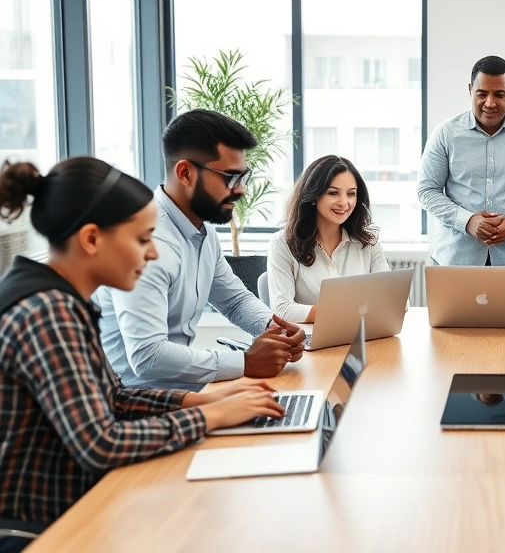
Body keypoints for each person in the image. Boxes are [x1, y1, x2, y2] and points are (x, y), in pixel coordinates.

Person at [0, 158, 285, 544]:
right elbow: (101, 443)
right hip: (41, 531)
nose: (152, 254)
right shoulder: (50, 312)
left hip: (75, 509)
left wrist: (194, 401)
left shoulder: (60, 298)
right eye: (141, 239)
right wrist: (211, 416)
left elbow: (113, 397)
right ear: (91, 239)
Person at [94, 109, 305, 391]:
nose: (241, 190)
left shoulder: (203, 231)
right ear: (185, 173)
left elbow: (234, 301)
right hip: (135, 403)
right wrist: (245, 362)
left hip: (185, 392)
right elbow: (147, 356)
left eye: (244, 177)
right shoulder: (144, 245)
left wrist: (275, 328)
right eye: (231, 177)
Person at [418, 55, 505, 266]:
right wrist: (467, 221)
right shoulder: (446, 134)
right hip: (455, 260)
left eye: (499, 94)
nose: (490, 103)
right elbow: (427, 191)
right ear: (470, 90)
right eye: (482, 94)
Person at [268, 155, 390, 323]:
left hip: (362, 337)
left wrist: (396, 303)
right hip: (312, 340)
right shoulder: (283, 243)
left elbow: (391, 298)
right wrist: (344, 312)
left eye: (351, 194)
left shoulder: (368, 241)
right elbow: (282, 309)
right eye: (333, 193)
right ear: (313, 196)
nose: (344, 202)